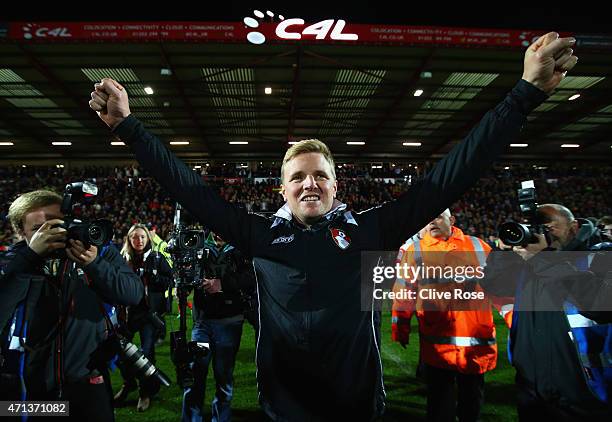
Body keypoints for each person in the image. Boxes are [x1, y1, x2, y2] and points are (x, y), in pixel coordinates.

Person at [89, 32, 577, 420]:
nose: (308, 184)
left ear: (335, 185)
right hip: (285, 406)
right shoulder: (260, 235)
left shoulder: (370, 230)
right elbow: (188, 189)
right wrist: (128, 126)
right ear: (282, 190)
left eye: (319, 175)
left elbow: (449, 179)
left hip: (356, 404)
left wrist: (524, 95)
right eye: (296, 177)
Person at [0, 190, 143, 421]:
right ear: (20, 233)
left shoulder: (98, 251)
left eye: (56, 224)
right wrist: (29, 258)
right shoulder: (12, 263)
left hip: (90, 381)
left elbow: (134, 294)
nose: (51, 234)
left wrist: (94, 264)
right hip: (30, 388)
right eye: (39, 229)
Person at [482, 204, 612, 420]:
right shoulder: (531, 258)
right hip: (532, 386)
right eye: (536, 229)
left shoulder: (600, 253)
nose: (542, 235)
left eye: (549, 228)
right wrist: (503, 252)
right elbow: (494, 286)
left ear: (574, 226)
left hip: (584, 387)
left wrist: (544, 258)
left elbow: (601, 305)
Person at [391, 210, 500, 422]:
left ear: (451, 220)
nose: (432, 220)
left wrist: (516, 322)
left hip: (474, 346)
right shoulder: (416, 252)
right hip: (438, 350)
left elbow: (501, 290)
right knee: (440, 408)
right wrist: (400, 327)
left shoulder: (479, 247)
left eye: (438, 216)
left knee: (472, 405)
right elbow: (404, 293)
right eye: (427, 217)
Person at [182, 232, 256, 422]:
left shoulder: (241, 247)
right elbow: (187, 280)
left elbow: (251, 277)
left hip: (230, 323)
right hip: (202, 324)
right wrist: (184, 276)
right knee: (194, 373)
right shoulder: (198, 246)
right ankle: (191, 419)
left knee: (223, 378)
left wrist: (222, 284)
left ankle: (221, 419)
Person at [113, 223, 172, 412]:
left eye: (142, 237)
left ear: (148, 239)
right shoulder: (122, 258)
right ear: (129, 240)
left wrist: (153, 277)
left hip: (148, 314)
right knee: (120, 355)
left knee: (146, 354)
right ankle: (128, 383)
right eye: (135, 237)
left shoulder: (156, 257)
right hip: (127, 314)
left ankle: (145, 392)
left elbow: (170, 280)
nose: (139, 241)